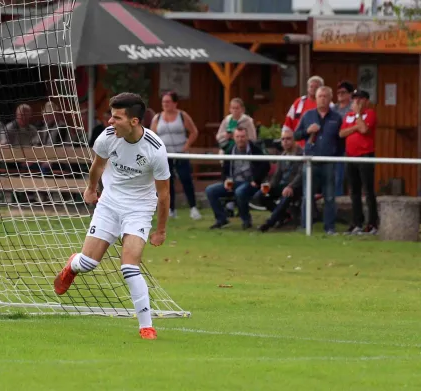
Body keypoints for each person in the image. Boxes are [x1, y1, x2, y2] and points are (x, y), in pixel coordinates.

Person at [53, 92, 170, 340]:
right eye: (111, 116)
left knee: (129, 267)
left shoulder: (155, 149)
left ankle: (146, 326)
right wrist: (91, 188)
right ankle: (72, 265)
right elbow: (98, 164)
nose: (110, 122)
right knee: (88, 264)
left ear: (134, 121)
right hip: (109, 204)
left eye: (116, 117)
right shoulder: (107, 138)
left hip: (139, 209)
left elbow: (164, 194)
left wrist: (160, 230)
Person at [294, 86, 343, 234]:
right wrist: (307, 131)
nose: (322, 99)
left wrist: (336, 156)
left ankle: (329, 228)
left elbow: (341, 141)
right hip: (310, 161)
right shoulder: (307, 115)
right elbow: (296, 135)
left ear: (330, 99)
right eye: (320, 96)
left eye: (325, 96)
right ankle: (305, 227)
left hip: (329, 162)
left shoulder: (337, 118)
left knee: (329, 197)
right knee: (307, 196)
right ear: (315, 98)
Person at [205, 127, 270, 230]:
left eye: (243, 137)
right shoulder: (230, 150)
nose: (240, 139)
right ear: (234, 138)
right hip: (233, 182)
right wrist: (225, 180)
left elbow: (266, 165)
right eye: (238, 137)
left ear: (247, 137)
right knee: (210, 190)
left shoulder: (255, 149)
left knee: (240, 192)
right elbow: (225, 169)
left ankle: (246, 220)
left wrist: (256, 180)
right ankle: (221, 219)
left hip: (250, 183)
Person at [150, 91, 202, 220]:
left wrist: (186, 146)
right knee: (168, 182)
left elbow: (194, 132)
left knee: (186, 179)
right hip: (165, 155)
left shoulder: (182, 116)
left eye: (168, 102)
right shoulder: (157, 118)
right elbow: (151, 136)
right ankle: (171, 209)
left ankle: (193, 208)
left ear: (175, 103)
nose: (165, 104)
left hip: (180, 153)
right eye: (163, 102)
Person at [339, 89, 379, 235]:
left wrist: (357, 115)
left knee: (368, 190)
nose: (357, 101)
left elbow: (364, 129)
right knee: (354, 191)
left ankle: (373, 224)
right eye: (355, 99)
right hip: (350, 156)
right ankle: (357, 223)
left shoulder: (370, 114)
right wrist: (355, 125)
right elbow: (342, 133)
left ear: (366, 101)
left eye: (360, 99)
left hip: (365, 155)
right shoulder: (348, 116)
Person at [258, 129, 303, 232]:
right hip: (284, 185)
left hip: (298, 186)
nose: (285, 141)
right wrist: (269, 185)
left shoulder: (301, 153)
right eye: (283, 139)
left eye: (288, 139)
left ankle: (269, 223)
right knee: (260, 195)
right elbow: (277, 176)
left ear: (294, 140)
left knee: (286, 195)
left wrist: (291, 186)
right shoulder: (282, 156)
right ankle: (283, 216)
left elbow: (301, 175)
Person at [283, 76, 324, 148]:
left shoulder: (328, 104)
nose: (313, 89)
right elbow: (287, 125)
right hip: (298, 148)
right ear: (307, 88)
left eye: (316, 87)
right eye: (311, 86)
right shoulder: (299, 103)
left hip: (320, 147)